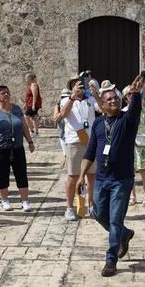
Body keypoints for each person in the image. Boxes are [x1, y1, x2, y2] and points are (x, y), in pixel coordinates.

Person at [77, 75, 143, 277]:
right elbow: (89, 152)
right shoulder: (98, 124)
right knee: (97, 213)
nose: (114, 101)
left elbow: (135, 109)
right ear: (102, 105)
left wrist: (135, 93)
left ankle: (111, 260)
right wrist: (81, 176)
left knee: (114, 220)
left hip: (121, 180)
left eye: (116, 98)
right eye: (109, 100)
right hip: (101, 178)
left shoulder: (127, 120)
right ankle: (125, 234)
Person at [60, 75, 102, 220]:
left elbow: (103, 108)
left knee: (92, 176)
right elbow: (63, 114)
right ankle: (70, 208)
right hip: (74, 142)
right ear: (72, 87)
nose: (79, 87)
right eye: (76, 85)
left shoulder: (90, 100)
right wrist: (72, 98)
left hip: (91, 141)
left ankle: (91, 206)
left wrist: (95, 93)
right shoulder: (66, 100)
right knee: (73, 176)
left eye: (81, 84)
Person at [0, 85, 35, 212]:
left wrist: (30, 141)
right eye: (2, 93)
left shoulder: (16, 109)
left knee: (21, 174)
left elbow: (24, 126)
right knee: (2, 174)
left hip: (17, 147)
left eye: (7, 92)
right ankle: (5, 201)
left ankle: (25, 201)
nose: (5, 95)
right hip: (1, 148)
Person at [123, 85, 145, 206]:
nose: (131, 96)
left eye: (133, 94)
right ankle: (133, 196)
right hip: (129, 144)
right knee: (130, 171)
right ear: (126, 98)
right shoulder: (124, 112)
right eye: (128, 94)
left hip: (142, 143)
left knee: (143, 170)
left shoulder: (143, 109)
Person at [53, 88, 71, 155]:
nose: (65, 99)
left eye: (67, 97)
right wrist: (63, 111)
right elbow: (56, 119)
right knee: (66, 155)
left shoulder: (74, 104)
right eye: (63, 97)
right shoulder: (58, 106)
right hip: (62, 134)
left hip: (73, 135)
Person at [23, 72, 42, 137]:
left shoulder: (34, 85)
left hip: (32, 104)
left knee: (26, 116)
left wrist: (33, 104)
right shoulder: (31, 85)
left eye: (26, 78)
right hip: (29, 103)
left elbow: (35, 96)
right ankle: (36, 133)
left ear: (30, 78)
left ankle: (32, 131)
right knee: (34, 117)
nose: (25, 80)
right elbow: (29, 97)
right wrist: (25, 104)